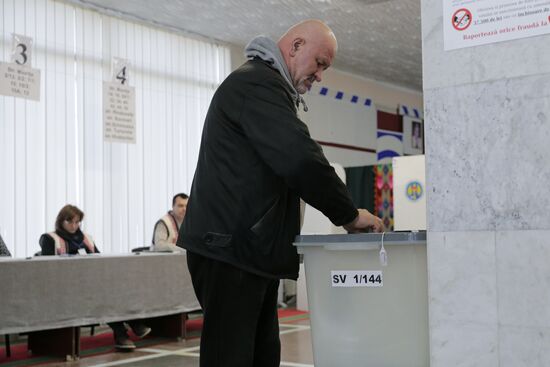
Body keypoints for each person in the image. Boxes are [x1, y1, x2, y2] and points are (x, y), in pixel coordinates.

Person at [178, 19, 383, 367]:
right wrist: (349, 215)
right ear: (296, 46)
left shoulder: (265, 87)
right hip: (232, 249)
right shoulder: (256, 84)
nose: (320, 76)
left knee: (261, 355)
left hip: (244, 249)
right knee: (232, 357)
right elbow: (300, 158)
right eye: (320, 63)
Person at [39, 204, 151, 350]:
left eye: (77, 222)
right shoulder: (50, 238)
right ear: (61, 221)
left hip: (90, 284)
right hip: (65, 288)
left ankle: (124, 334)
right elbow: (47, 268)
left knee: (114, 290)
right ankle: (127, 330)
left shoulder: (86, 238)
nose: (74, 226)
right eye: (70, 222)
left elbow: (99, 261)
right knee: (104, 295)